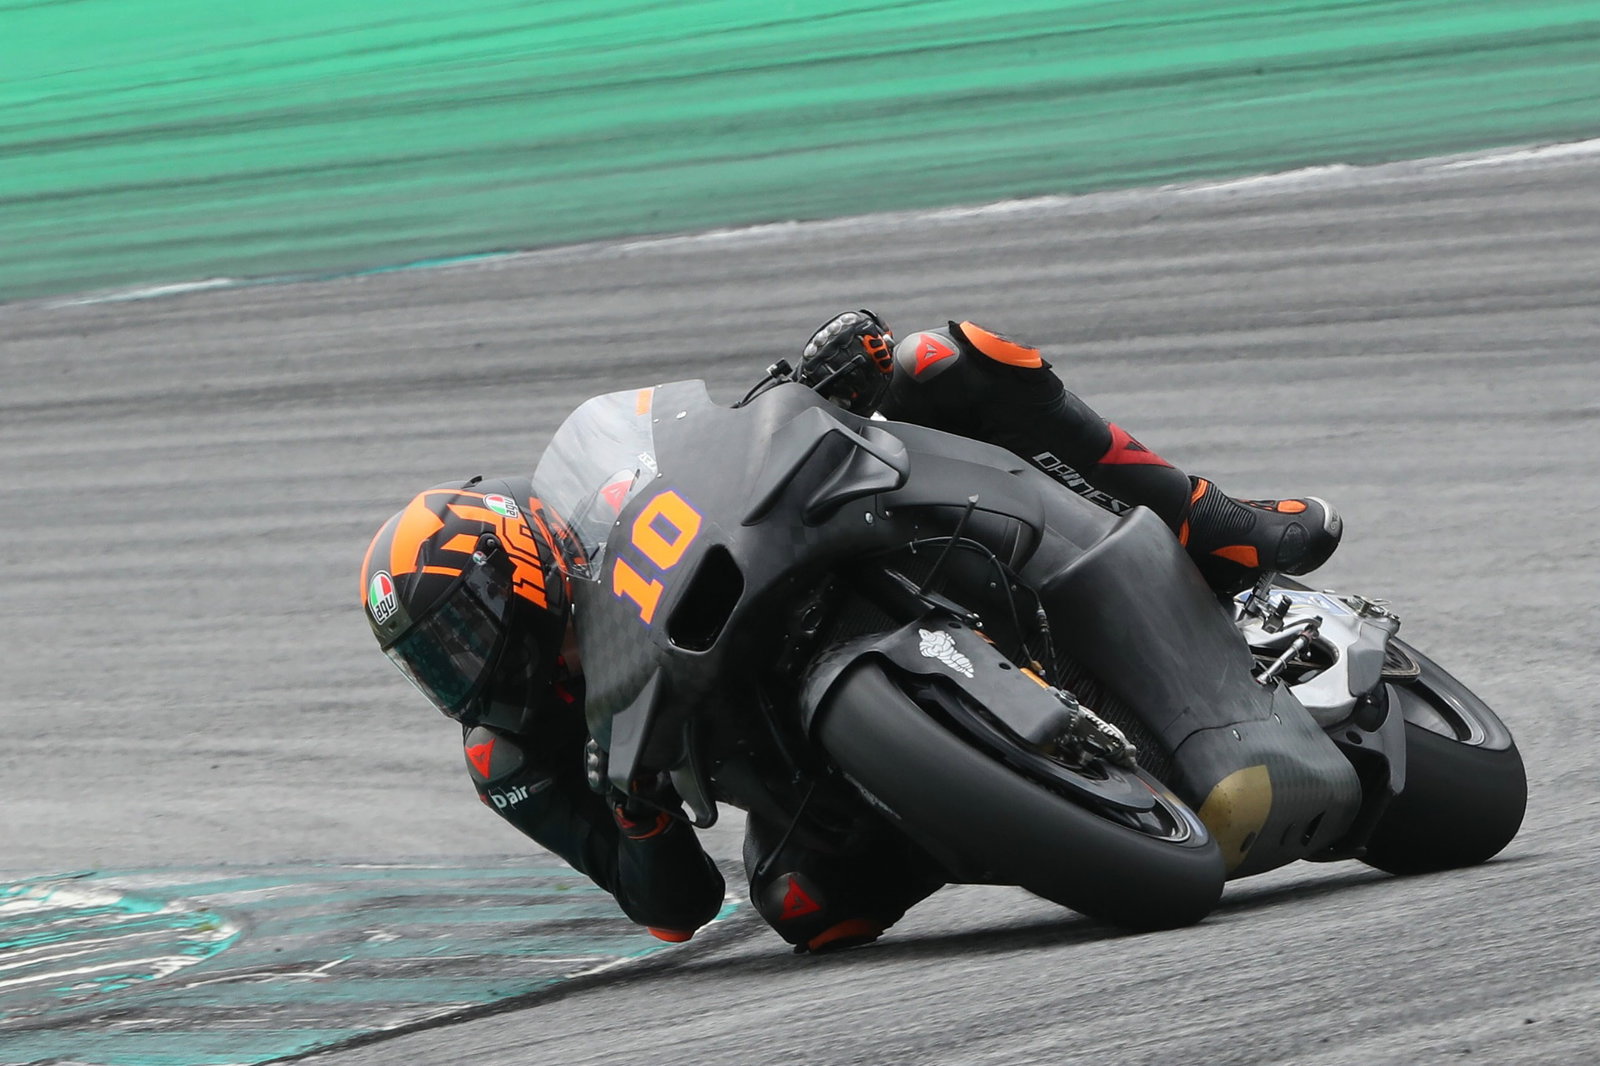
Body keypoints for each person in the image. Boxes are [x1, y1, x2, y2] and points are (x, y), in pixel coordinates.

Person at [359, 310, 1342, 954]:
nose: (467, 665)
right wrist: (639, 816)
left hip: (818, 556)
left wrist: (813, 383)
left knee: (939, 357)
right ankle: (1015, 807)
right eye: (433, 660)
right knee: (804, 911)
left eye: (468, 626)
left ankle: (1206, 516)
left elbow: (715, 453)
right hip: (789, 762)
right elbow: (670, 908)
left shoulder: (603, 510)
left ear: (528, 564)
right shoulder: (508, 750)